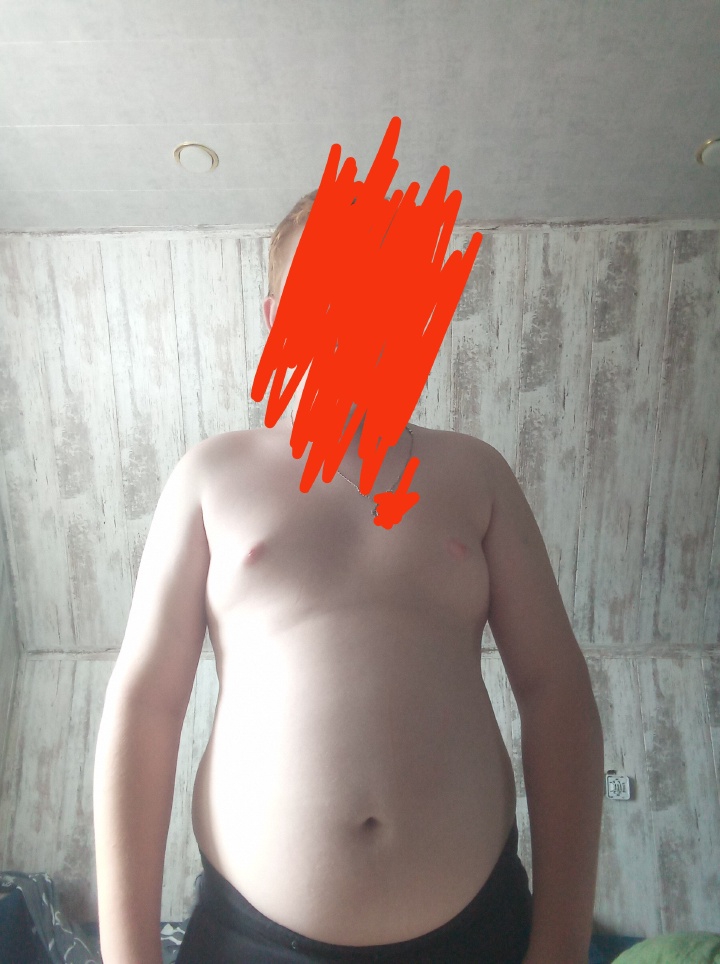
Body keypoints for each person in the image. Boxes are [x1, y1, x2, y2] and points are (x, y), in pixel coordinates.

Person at [93, 190, 604, 964]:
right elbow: (145, 705)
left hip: (479, 931)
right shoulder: (211, 476)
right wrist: (128, 955)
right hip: (249, 940)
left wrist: (561, 942)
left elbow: (556, 690)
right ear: (277, 319)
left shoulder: (475, 474)